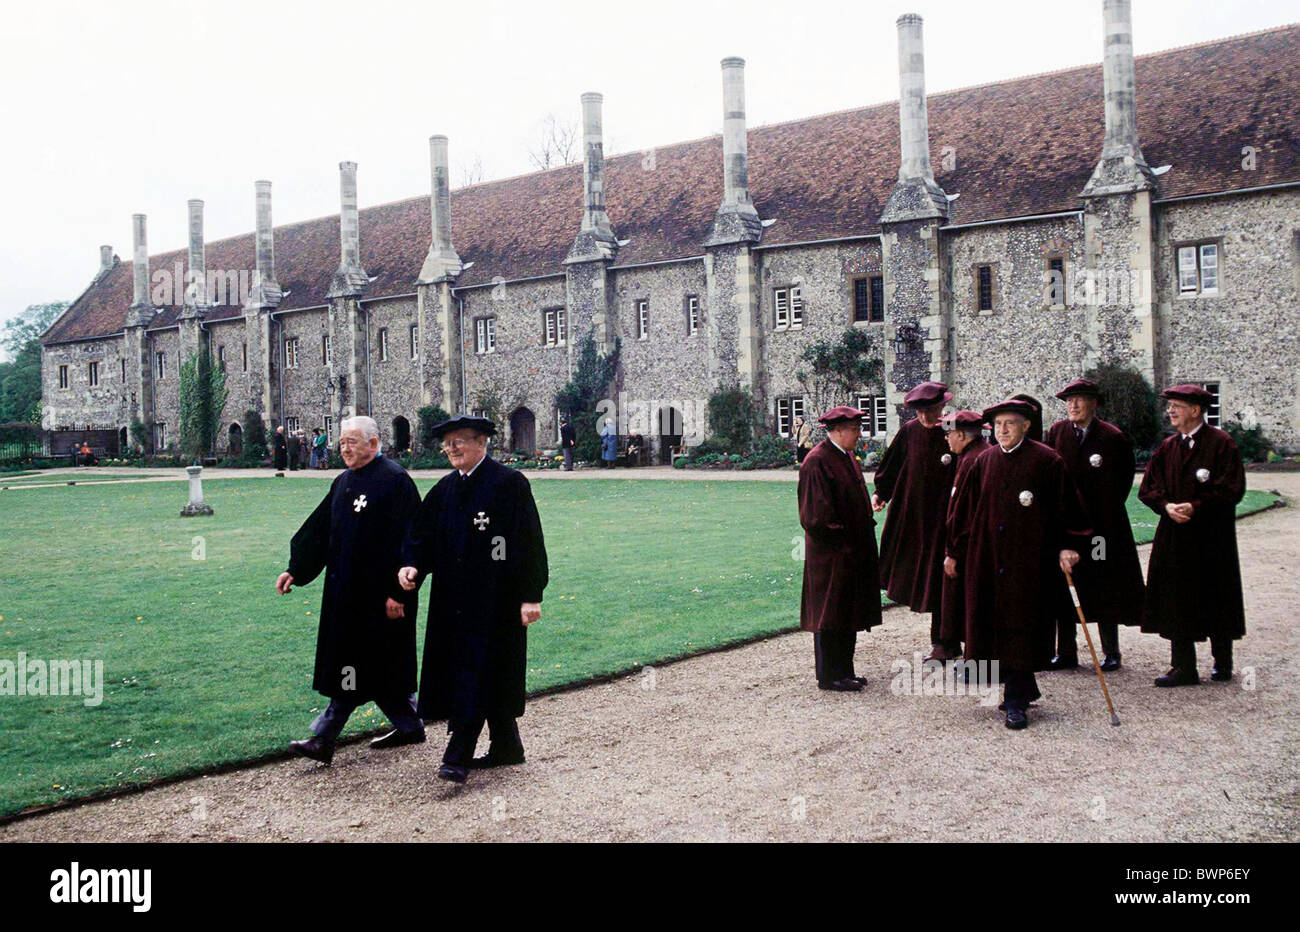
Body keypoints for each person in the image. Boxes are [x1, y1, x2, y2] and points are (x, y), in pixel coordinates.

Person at [398, 415, 548, 784]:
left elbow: (529, 543)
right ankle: (507, 746)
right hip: (453, 602)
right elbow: (422, 535)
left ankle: (458, 753)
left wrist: (531, 596)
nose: (451, 449)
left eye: (458, 442)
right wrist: (413, 565)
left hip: (496, 601)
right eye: (446, 444)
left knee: (477, 671)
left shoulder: (508, 485)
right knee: (483, 672)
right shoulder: (446, 490)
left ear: (481, 442)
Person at [274, 415, 424, 766]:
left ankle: (323, 739)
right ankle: (409, 725)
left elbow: (412, 542)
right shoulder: (342, 482)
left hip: (383, 598)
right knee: (374, 669)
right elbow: (320, 530)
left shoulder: (395, 481)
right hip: (346, 597)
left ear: (374, 443)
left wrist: (398, 595)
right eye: (342, 441)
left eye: (352, 441)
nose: (345, 447)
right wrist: (296, 569)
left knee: (359, 665)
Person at [946, 398, 1090, 729]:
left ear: (1026, 425)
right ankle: (1019, 687)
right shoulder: (983, 462)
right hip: (988, 557)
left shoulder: (1047, 461)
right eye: (997, 425)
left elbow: (1068, 507)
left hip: (1029, 561)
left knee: (1023, 623)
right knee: (994, 622)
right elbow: (963, 512)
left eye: (1010, 423)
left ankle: (1015, 699)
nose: (1003, 430)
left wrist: (1070, 544)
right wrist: (954, 550)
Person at [1139, 384, 1246, 687]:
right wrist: (1166, 505)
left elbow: (1232, 489)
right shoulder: (1168, 447)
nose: (1170, 411)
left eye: (1177, 406)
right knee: (1176, 597)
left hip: (1211, 538)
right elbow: (1148, 488)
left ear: (1196, 411)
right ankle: (1183, 666)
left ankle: (1222, 662)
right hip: (1175, 536)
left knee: (1216, 594)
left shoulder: (1221, 444)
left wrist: (1196, 506)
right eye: (1169, 406)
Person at [1045, 378, 1144, 672]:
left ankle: (1111, 651)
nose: (1073, 405)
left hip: (1101, 531)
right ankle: (1066, 652)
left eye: (1079, 400)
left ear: (1094, 403)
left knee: (1103, 581)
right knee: (1065, 584)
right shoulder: (1057, 433)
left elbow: (1123, 482)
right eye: (1069, 400)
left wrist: (1102, 517)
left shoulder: (1112, 438)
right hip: (1066, 529)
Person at [798, 405, 883, 692]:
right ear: (836, 430)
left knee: (847, 613)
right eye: (854, 429)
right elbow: (815, 517)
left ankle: (845, 670)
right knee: (830, 614)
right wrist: (843, 544)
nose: (858, 434)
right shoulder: (817, 461)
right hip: (832, 554)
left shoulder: (846, 457)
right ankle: (829, 675)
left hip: (851, 550)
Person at [872, 381, 956, 661]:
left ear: (942, 406)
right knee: (929, 578)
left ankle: (946, 642)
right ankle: (943, 642)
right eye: (919, 412)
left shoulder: (954, 431)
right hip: (916, 518)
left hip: (948, 519)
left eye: (930, 411)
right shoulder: (909, 432)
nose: (925, 418)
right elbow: (892, 464)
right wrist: (882, 493)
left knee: (947, 579)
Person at [938, 410, 988, 658]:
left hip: (970, 548)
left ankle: (976, 662)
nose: (947, 440)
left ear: (960, 434)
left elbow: (962, 514)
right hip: (978, 544)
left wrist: (953, 552)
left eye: (948, 435)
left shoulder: (972, 461)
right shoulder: (978, 455)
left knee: (972, 603)